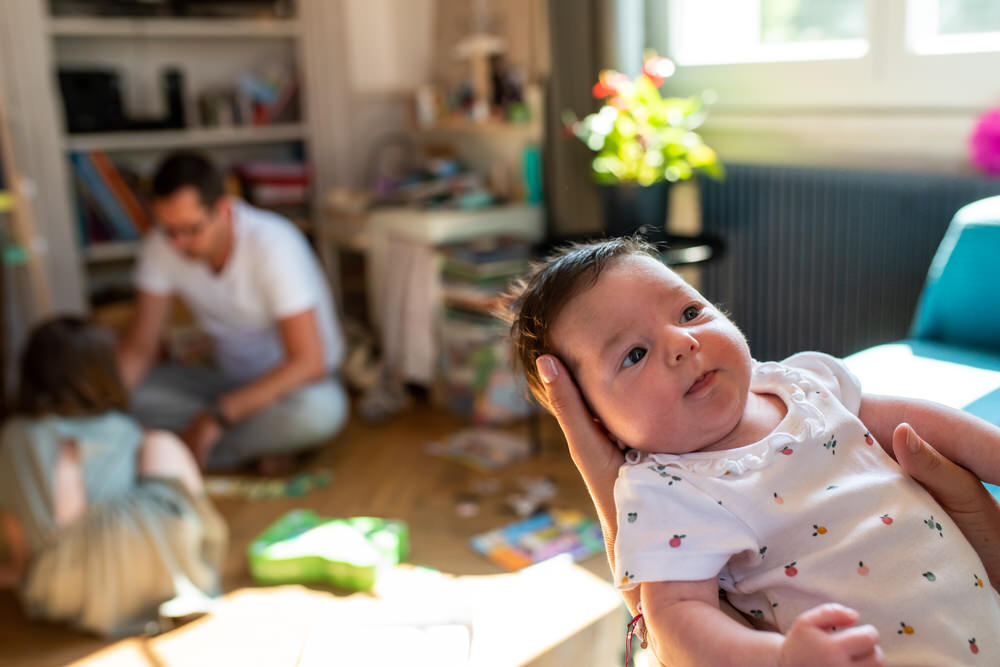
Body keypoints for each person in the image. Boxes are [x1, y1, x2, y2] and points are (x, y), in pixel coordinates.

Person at [501, 238, 1000, 666]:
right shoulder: (663, 489)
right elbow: (676, 616)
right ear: (597, 424)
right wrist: (778, 658)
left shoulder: (794, 384)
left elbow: (918, 420)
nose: (682, 341)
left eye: (689, 312)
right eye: (635, 354)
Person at [117, 151, 348, 472]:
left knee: (318, 413)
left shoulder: (273, 244)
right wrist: (102, 411)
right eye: (168, 231)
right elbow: (139, 348)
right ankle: (245, 447)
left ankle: (179, 450)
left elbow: (309, 363)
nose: (178, 244)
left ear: (224, 210)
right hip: (224, 382)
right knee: (127, 398)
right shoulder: (162, 246)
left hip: (289, 388)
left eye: (192, 229)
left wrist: (217, 416)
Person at [0, 316, 227, 637]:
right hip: (144, 570)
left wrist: (20, 569)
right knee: (161, 445)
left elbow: (16, 517)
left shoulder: (15, 436)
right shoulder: (122, 429)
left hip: (60, 589)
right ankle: (195, 569)